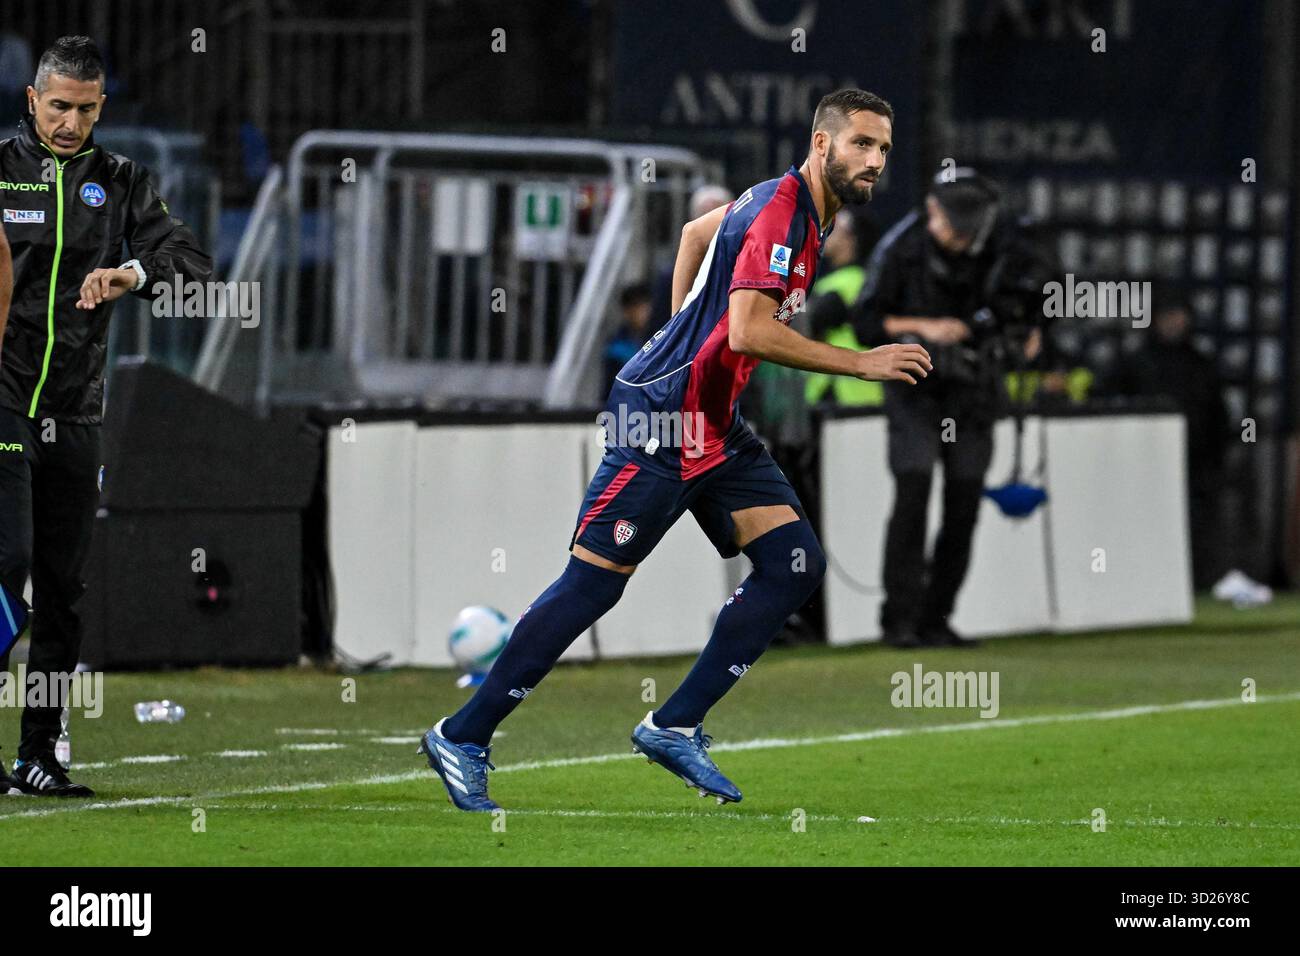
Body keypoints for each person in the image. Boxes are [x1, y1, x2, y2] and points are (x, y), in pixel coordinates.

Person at [419, 88, 931, 811]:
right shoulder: (782, 214)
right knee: (592, 586)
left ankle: (674, 723)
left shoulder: (796, 204)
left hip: (713, 425)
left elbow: (694, 233)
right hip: (659, 422)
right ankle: (462, 734)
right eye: (862, 145)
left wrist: (681, 334)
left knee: (793, 565)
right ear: (823, 144)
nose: (875, 161)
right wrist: (859, 362)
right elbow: (751, 331)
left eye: (883, 148)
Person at [0, 37, 213, 796]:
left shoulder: (120, 182)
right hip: (2, 398)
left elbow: (191, 264)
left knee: (64, 587)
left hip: (75, 404)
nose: (69, 122)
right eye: (58, 106)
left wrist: (133, 272)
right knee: (9, 564)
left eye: (86, 110)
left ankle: (40, 753)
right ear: (32, 99)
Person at [854, 168, 1041, 649]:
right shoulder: (902, 247)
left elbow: (1026, 313)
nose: (941, 227)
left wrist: (1020, 336)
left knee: (964, 503)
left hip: (973, 389)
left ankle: (937, 617)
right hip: (915, 387)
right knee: (913, 492)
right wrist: (928, 327)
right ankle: (899, 621)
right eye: (938, 217)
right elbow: (866, 323)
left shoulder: (1006, 249)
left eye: (951, 222)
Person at [1111, 294, 1228, 589]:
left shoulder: (1201, 364)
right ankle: (1139, 582)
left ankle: (1198, 584)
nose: (1174, 323)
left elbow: (1220, 415)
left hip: (1195, 464)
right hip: (1143, 465)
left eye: (1179, 315)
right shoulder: (1136, 362)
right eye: (1167, 315)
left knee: (1195, 528)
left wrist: (1221, 456)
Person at [602, 283, 654, 386]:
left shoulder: (658, 338)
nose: (642, 312)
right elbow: (611, 386)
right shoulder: (616, 346)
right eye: (636, 306)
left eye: (645, 305)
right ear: (626, 311)